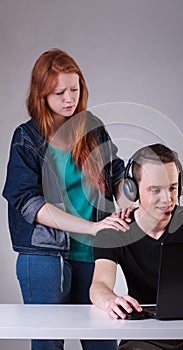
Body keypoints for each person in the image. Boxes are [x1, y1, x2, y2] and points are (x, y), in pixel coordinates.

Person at [2, 48, 131, 350]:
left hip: (91, 253)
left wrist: (129, 205)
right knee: (48, 344)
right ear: (41, 94)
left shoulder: (92, 128)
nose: (69, 99)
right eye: (60, 92)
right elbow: (28, 203)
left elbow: (116, 174)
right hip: (43, 256)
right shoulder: (26, 138)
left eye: (75, 89)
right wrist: (90, 228)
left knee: (102, 342)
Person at [90, 143, 183, 350]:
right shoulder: (114, 232)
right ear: (132, 190)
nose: (168, 199)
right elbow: (99, 285)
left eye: (173, 187)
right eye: (156, 190)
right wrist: (110, 301)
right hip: (143, 334)